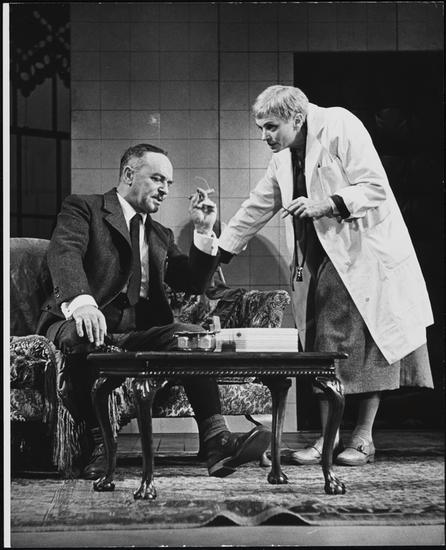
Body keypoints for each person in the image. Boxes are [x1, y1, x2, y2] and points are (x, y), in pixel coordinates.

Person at [218, 85, 434, 466]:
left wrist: (327, 204)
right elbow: (257, 206)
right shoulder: (282, 157)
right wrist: (220, 253)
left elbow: (375, 187)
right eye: (261, 128)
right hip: (317, 259)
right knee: (320, 346)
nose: (265, 136)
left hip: (361, 254)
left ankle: (363, 437)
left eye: (271, 127)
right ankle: (328, 438)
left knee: (365, 348)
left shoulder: (339, 125)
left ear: (296, 118)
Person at [37, 143, 270, 479]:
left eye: (169, 183)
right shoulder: (84, 208)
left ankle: (217, 440)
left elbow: (193, 283)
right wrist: (82, 303)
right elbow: (65, 253)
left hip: (137, 332)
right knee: (83, 333)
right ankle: (101, 444)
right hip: (79, 320)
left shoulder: (160, 234)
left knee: (192, 337)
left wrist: (204, 231)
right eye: (158, 179)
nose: (165, 189)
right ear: (129, 174)